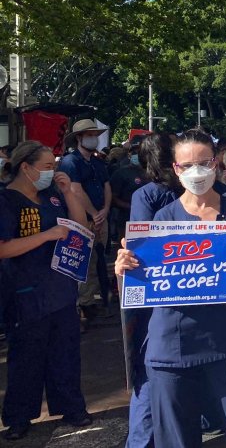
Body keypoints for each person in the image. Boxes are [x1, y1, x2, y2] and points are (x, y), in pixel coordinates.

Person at [116, 130, 226, 448]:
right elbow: (139, 292)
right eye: (186, 165)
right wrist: (125, 270)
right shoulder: (162, 220)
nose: (196, 171)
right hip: (171, 349)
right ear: (175, 169)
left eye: (203, 162)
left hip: (225, 344)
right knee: (177, 441)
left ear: (215, 164)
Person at [0, 141, 92, 440]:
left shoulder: (52, 195)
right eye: (47, 166)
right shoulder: (7, 201)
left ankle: (72, 407)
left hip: (60, 288)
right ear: (25, 167)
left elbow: (80, 225)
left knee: (65, 352)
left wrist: (69, 192)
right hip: (25, 292)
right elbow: (4, 248)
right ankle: (19, 417)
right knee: (27, 356)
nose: (52, 171)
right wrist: (46, 236)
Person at [59, 119, 112, 320]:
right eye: (89, 135)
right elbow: (75, 190)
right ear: (79, 138)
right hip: (80, 219)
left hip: (100, 217)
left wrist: (105, 210)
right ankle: (82, 303)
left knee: (97, 259)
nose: (93, 139)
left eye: (94, 135)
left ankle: (90, 300)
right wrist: (93, 213)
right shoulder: (70, 162)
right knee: (82, 261)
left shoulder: (98, 162)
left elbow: (106, 186)